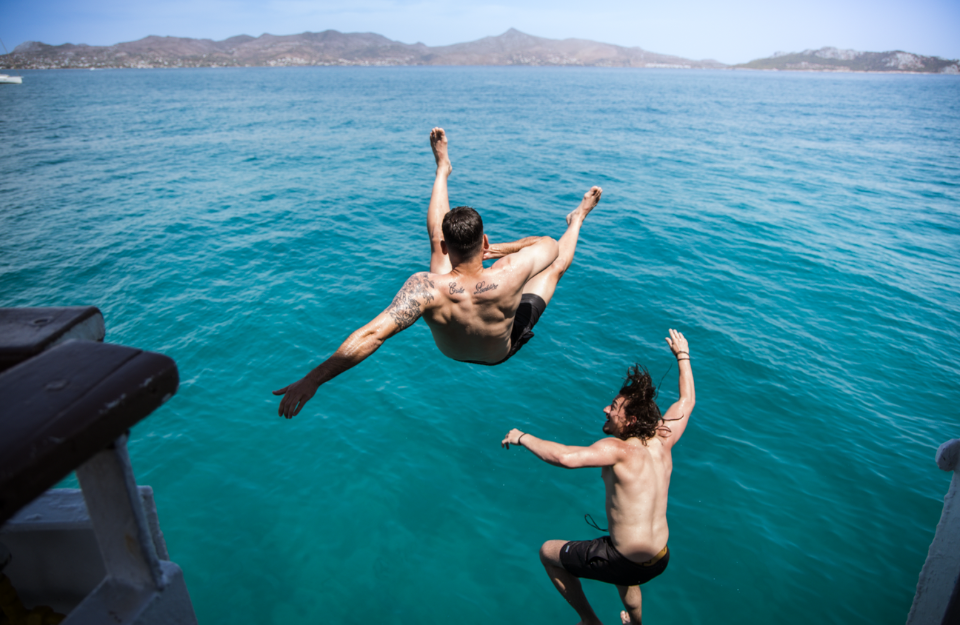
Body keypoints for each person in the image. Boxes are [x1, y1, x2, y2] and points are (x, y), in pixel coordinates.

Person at [274, 128, 602, 418]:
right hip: (501, 349)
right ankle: (578, 219)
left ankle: (442, 170)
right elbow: (549, 246)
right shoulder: (511, 271)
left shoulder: (425, 288)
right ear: (484, 240)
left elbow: (372, 335)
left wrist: (312, 379)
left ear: (448, 248)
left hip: (454, 344)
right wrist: (496, 250)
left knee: (434, 243)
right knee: (555, 269)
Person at [501, 329, 695, 625]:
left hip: (625, 561)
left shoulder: (618, 450)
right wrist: (683, 355)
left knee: (548, 553)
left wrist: (522, 436)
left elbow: (565, 457)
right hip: (659, 558)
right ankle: (635, 623)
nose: (606, 409)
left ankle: (589, 620)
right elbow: (686, 401)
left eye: (614, 408)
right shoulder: (662, 439)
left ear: (629, 420)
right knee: (624, 566)